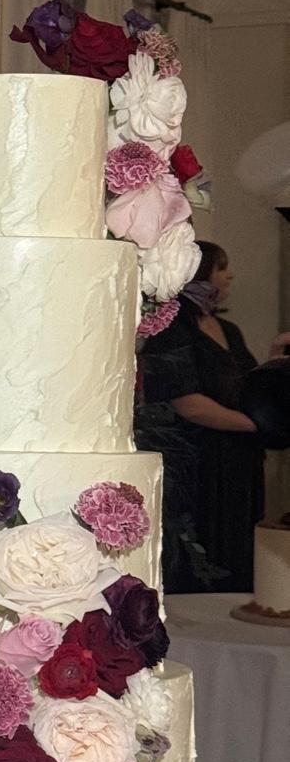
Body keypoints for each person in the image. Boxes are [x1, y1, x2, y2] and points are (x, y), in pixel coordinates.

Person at [141, 240, 279, 592]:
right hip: (198, 460)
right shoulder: (172, 328)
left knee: (239, 546)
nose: (230, 275)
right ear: (199, 272)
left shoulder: (229, 330)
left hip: (238, 458)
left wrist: (277, 361)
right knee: (205, 547)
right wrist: (257, 425)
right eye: (221, 267)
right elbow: (187, 403)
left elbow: (245, 388)